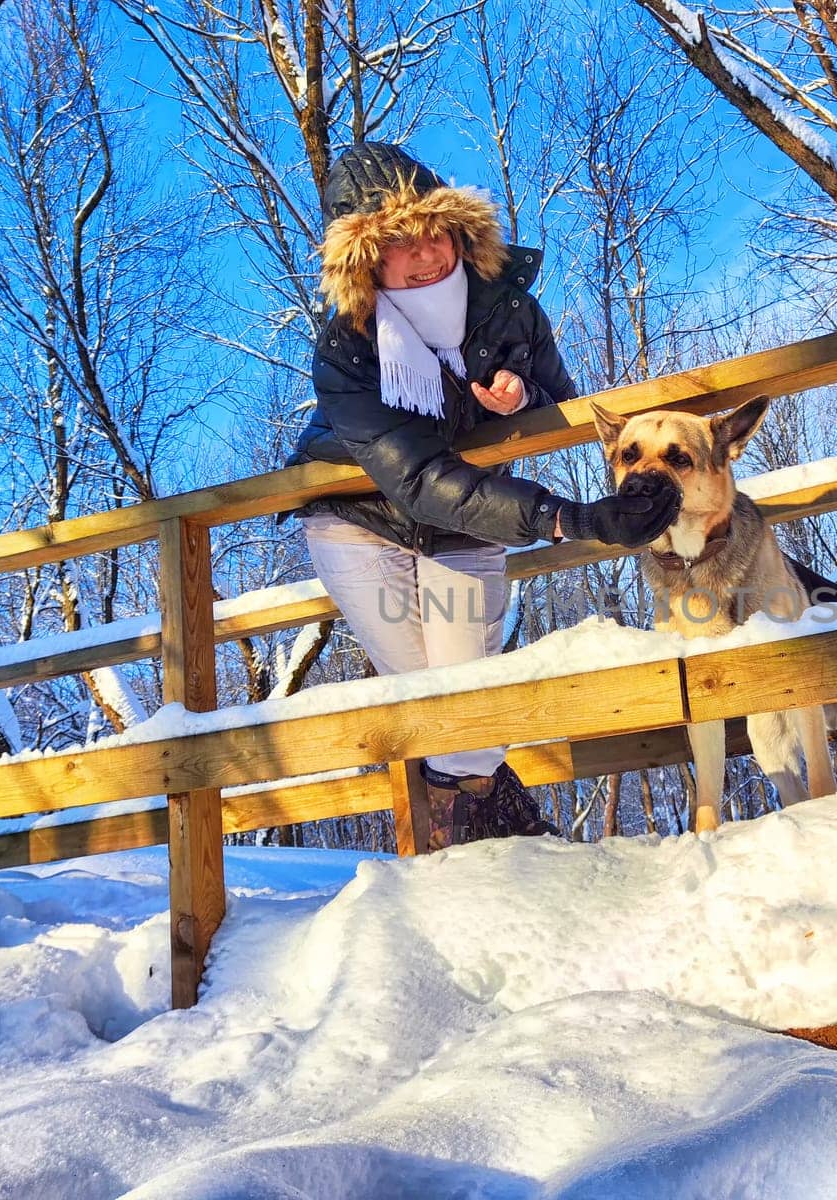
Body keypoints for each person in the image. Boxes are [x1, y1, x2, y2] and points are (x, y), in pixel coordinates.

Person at [290, 142, 678, 852]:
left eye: (435, 231)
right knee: (439, 707)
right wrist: (563, 517)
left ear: (459, 229)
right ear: (364, 262)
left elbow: (568, 406)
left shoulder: (509, 311)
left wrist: (522, 401)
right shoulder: (346, 348)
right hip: (361, 524)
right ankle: (485, 846)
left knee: (465, 716)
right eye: (398, 245)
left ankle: (479, 842)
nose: (426, 255)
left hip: (468, 525)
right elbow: (414, 478)